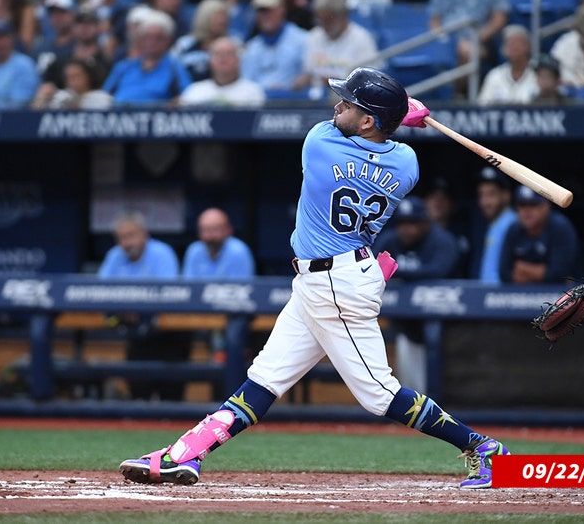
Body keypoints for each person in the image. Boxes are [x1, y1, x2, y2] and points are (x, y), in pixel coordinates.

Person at [118, 67, 510, 490]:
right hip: (332, 278)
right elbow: (382, 141)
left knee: (379, 394)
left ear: (367, 121)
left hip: (337, 285)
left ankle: (482, 448)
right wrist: (395, 117)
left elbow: (340, 128)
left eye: (350, 103)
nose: (338, 105)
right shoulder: (408, 163)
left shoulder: (320, 144)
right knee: (266, 376)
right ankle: (186, 455)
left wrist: (398, 114)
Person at [98, 210, 190, 401]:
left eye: (130, 236)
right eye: (121, 238)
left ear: (143, 234)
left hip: (167, 334)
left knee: (170, 394)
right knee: (139, 391)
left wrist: (136, 307)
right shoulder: (115, 255)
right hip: (135, 333)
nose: (126, 243)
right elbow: (101, 290)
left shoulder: (161, 252)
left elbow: (169, 294)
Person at [372, 195, 460, 393]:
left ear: (425, 222)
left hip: (447, 322)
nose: (406, 229)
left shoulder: (442, 240)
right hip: (407, 325)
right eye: (402, 223)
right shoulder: (391, 240)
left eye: (413, 223)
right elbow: (372, 268)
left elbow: (438, 271)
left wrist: (397, 270)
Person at [182, 207, 256, 365]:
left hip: (233, 315)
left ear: (228, 230)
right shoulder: (194, 251)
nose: (209, 236)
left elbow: (241, 295)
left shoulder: (239, 251)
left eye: (215, 230)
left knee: (235, 334)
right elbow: (189, 291)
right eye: (205, 230)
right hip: (200, 315)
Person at [427, 0, 510, 97]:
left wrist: (477, 37)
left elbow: (499, 19)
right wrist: (442, 39)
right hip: (448, 39)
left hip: (482, 39)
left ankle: (452, 95)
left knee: (467, 51)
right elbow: (434, 20)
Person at [293, 0, 377, 100]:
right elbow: (308, 72)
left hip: (350, 101)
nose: (323, 25)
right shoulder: (314, 36)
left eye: (328, 20)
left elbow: (368, 82)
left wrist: (332, 82)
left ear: (342, 16)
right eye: (320, 20)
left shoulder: (362, 38)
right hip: (316, 99)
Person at [102, 9, 192, 106]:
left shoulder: (175, 68)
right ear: (140, 39)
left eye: (158, 38)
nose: (152, 42)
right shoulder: (123, 67)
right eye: (147, 37)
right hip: (119, 117)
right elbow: (104, 96)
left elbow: (187, 98)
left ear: (168, 40)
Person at [499, 185, 579, 284]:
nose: (527, 211)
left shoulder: (560, 227)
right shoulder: (514, 229)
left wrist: (522, 268)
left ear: (546, 206)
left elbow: (559, 275)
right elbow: (504, 273)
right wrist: (540, 272)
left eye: (533, 204)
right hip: (520, 297)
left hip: (558, 295)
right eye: (522, 205)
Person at [31, 8, 110, 108]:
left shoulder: (106, 63)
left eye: (90, 23)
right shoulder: (60, 62)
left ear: (99, 27)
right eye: (80, 23)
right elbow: (46, 89)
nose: (84, 28)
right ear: (73, 27)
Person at [239, 0, 307, 96]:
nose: (265, 15)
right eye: (261, 11)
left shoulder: (303, 39)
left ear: (282, 9)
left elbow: (309, 76)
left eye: (269, 10)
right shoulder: (252, 47)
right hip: (259, 102)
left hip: (293, 102)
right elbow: (246, 82)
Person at [179, 36, 265, 107]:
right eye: (217, 54)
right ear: (209, 61)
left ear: (238, 60)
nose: (223, 58)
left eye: (228, 54)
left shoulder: (253, 92)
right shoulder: (194, 91)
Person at [469, 167, 516, 283]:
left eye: (491, 194)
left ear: (506, 195)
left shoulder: (514, 224)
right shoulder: (491, 224)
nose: (485, 202)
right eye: (481, 195)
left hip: (506, 296)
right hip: (487, 295)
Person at [171, 0, 231, 82]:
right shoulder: (184, 44)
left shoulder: (233, 44)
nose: (222, 20)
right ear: (204, 18)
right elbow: (172, 70)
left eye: (225, 16)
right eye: (218, 16)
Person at [477, 24, 538, 105]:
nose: (513, 47)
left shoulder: (539, 73)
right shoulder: (494, 76)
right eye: (509, 43)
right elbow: (482, 107)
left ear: (528, 46)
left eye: (517, 43)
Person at [30, 0, 77, 76]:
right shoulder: (41, 46)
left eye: (62, 12)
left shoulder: (79, 46)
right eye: (53, 13)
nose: (58, 17)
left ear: (73, 13)